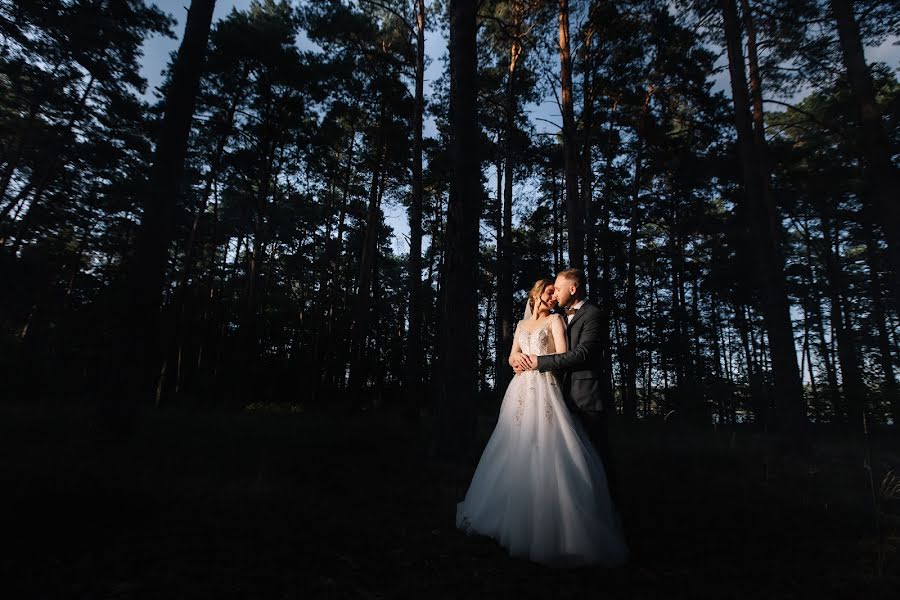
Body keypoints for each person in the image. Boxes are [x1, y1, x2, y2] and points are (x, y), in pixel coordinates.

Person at [455, 275, 627, 568]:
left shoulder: (556, 321)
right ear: (535, 296)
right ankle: (508, 516)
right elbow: (512, 356)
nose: (551, 297)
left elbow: (562, 356)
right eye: (547, 292)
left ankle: (561, 525)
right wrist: (515, 361)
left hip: (545, 388)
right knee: (515, 447)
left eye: (554, 292)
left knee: (548, 448)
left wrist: (536, 363)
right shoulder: (522, 326)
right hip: (520, 390)